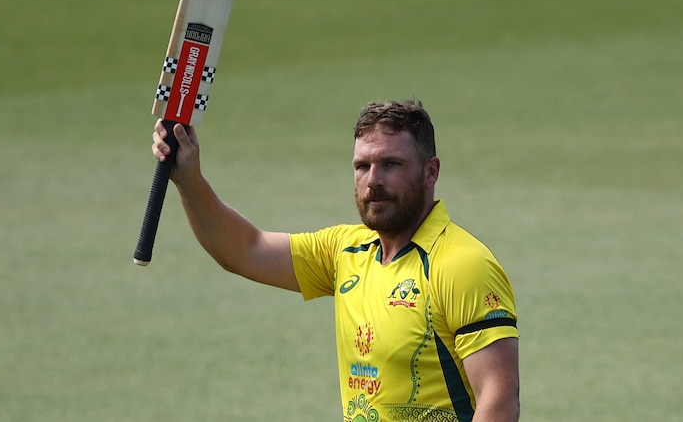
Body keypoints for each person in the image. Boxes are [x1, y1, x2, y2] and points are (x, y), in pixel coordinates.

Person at [152, 99, 520, 421]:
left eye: (391, 164)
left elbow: (499, 402)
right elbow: (245, 251)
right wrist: (189, 180)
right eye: (362, 166)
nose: (373, 180)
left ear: (431, 172)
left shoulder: (461, 264)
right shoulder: (346, 250)